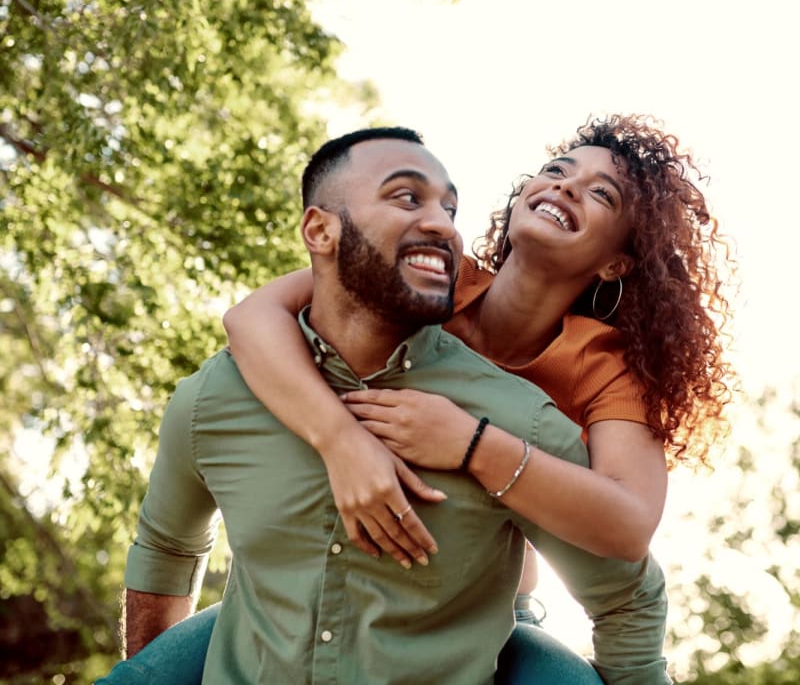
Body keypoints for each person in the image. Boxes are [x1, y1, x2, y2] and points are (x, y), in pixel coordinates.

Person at [100, 127, 672, 684]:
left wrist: (471, 443)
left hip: (477, 610)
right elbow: (250, 318)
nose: (567, 187)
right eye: (556, 170)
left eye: (601, 193)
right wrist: (340, 440)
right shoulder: (428, 276)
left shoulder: (604, 368)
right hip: (284, 609)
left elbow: (627, 533)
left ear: (617, 263)